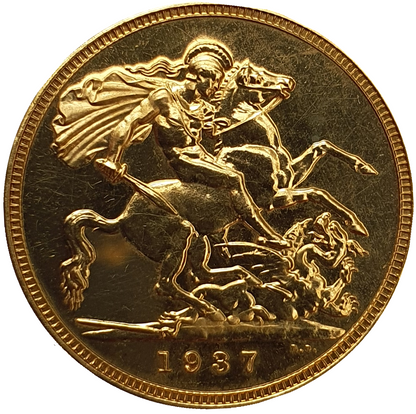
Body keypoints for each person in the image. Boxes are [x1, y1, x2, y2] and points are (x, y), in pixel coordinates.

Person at [54, 38, 283, 242]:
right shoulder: (164, 98)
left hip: (202, 158)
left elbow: (214, 131)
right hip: (182, 161)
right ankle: (265, 232)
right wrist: (112, 158)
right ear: (199, 76)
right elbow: (129, 123)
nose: (215, 88)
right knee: (234, 178)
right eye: (214, 81)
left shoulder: (202, 107)